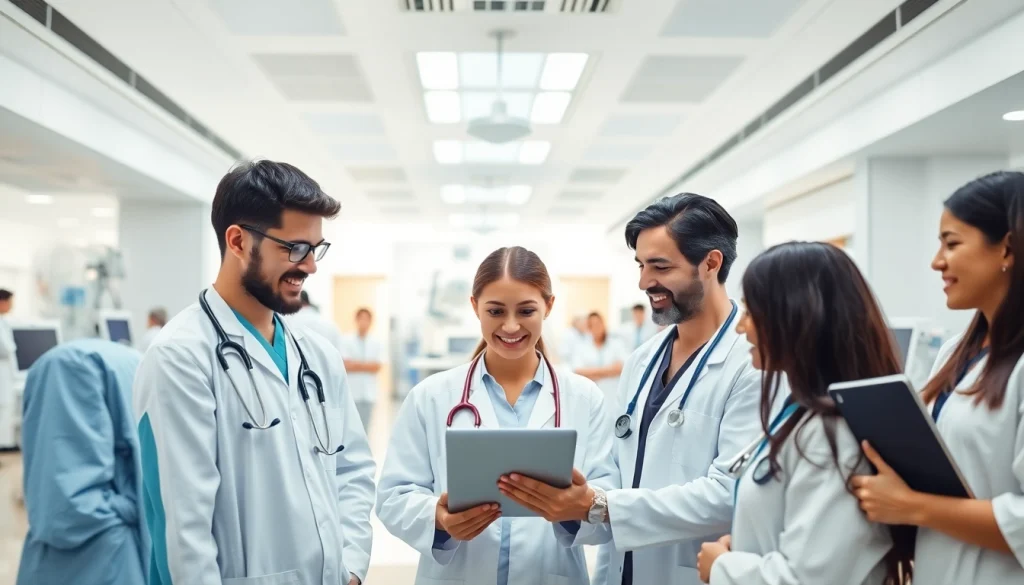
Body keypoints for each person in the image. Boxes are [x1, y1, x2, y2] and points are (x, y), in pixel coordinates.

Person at [133, 160, 376, 585]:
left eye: (315, 249)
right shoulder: (181, 357)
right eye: (295, 248)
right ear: (238, 241)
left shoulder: (317, 356)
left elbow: (352, 470)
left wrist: (351, 567)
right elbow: (183, 528)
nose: (310, 266)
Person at [499, 193, 762, 585]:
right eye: (641, 265)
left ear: (711, 263)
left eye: (660, 266)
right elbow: (616, 480)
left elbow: (732, 494)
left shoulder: (752, 363)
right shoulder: (643, 360)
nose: (643, 282)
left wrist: (603, 505)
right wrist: (581, 502)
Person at [375, 246, 618, 585]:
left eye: (526, 310)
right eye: (495, 311)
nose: (511, 325)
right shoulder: (430, 396)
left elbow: (610, 501)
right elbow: (393, 497)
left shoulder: (585, 398)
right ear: (475, 306)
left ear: (548, 306)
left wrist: (579, 506)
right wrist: (439, 519)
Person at [695, 242, 913, 585]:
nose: (741, 327)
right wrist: (748, 545)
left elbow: (811, 578)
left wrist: (723, 567)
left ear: (798, 318)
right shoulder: (803, 415)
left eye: (752, 312)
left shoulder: (833, 434)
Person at [853, 170, 1024, 584]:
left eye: (952, 243)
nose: (937, 261)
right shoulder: (954, 354)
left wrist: (913, 506)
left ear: (1007, 248)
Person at [17, 339, 149, 585]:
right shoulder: (129, 358)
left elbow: (64, 509)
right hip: (133, 548)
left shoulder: (67, 368)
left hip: (93, 556)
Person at [572, 311, 629, 424]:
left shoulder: (616, 344)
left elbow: (622, 368)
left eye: (598, 324)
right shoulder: (581, 347)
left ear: (603, 324)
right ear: (589, 328)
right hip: (590, 398)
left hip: (613, 397)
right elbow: (578, 371)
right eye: (592, 325)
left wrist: (593, 373)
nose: (596, 328)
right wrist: (609, 371)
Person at [340, 308, 382, 432]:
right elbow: (346, 365)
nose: (364, 322)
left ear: (371, 321)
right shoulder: (346, 340)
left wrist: (356, 364)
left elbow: (376, 367)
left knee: (365, 429)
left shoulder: (377, 342)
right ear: (356, 320)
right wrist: (367, 365)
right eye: (361, 319)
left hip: (369, 393)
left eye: (366, 319)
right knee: (350, 429)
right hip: (352, 392)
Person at [0, 289, 15, 451]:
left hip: (4, 373)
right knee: (2, 408)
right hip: (2, 372)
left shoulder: (3, 322)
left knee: (5, 408)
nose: (11, 306)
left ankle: (4, 444)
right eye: (10, 302)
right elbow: (6, 348)